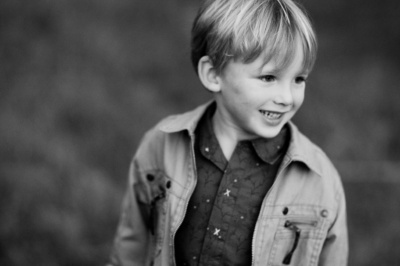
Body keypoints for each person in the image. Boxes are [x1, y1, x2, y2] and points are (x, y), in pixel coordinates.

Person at [107, 0, 348, 265]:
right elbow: (132, 243)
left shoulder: (320, 181)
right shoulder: (161, 145)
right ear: (213, 74)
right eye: (269, 78)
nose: (287, 97)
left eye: (299, 79)